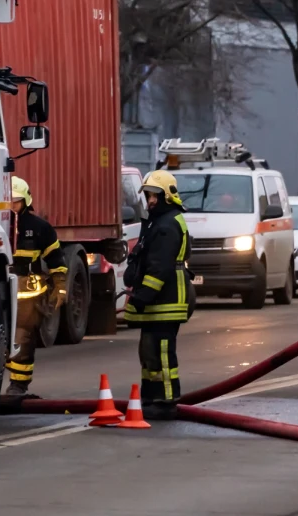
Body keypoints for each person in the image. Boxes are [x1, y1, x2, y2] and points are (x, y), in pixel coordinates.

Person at [123, 169, 194, 419]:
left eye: (155, 195)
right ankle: (151, 397)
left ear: (167, 196)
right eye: (148, 196)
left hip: (167, 299)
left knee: (162, 352)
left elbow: (159, 266)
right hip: (159, 299)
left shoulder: (167, 224)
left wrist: (144, 295)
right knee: (148, 350)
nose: (151, 201)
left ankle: (166, 401)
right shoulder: (157, 221)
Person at [5, 176, 68, 396]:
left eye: (16, 201)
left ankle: (18, 384)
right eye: (8, 201)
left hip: (27, 292)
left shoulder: (40, 228)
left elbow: (56, 259)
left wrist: (60, 286)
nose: (12, 206)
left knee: (23, 337)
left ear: (25, 201)